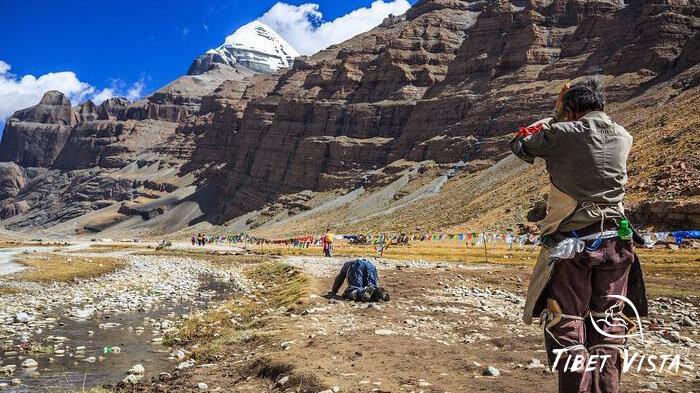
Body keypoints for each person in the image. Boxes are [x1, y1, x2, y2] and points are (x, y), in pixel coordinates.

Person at [511, 77, 647, 393]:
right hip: (617, 243)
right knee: (608, 325)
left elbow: (520, 145)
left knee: (567, 324)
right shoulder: (623, 136)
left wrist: (556, 114)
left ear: (572, 110)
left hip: (573, 246)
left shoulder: (560, 133)